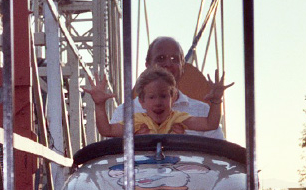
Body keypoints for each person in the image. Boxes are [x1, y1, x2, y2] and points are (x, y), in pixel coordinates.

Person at [109, 36, 226, 139]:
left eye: (174, 59)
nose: (168, 64)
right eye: (160, 58)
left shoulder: (203, 111)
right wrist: (135, 142)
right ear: (147, 65)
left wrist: (185, 142)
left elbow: (219, 154)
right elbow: (111, 156)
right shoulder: (124, 113)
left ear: (182, 67)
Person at [84, 66, 231, 137]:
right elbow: (106, 130)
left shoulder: (178, 118)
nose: (158, 102)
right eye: (152, 97)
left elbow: (210, 124)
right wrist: (99, 105)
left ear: (173, 98)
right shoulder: (137, 121)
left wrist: (217, 100)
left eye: (164, 96)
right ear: (141, 101)